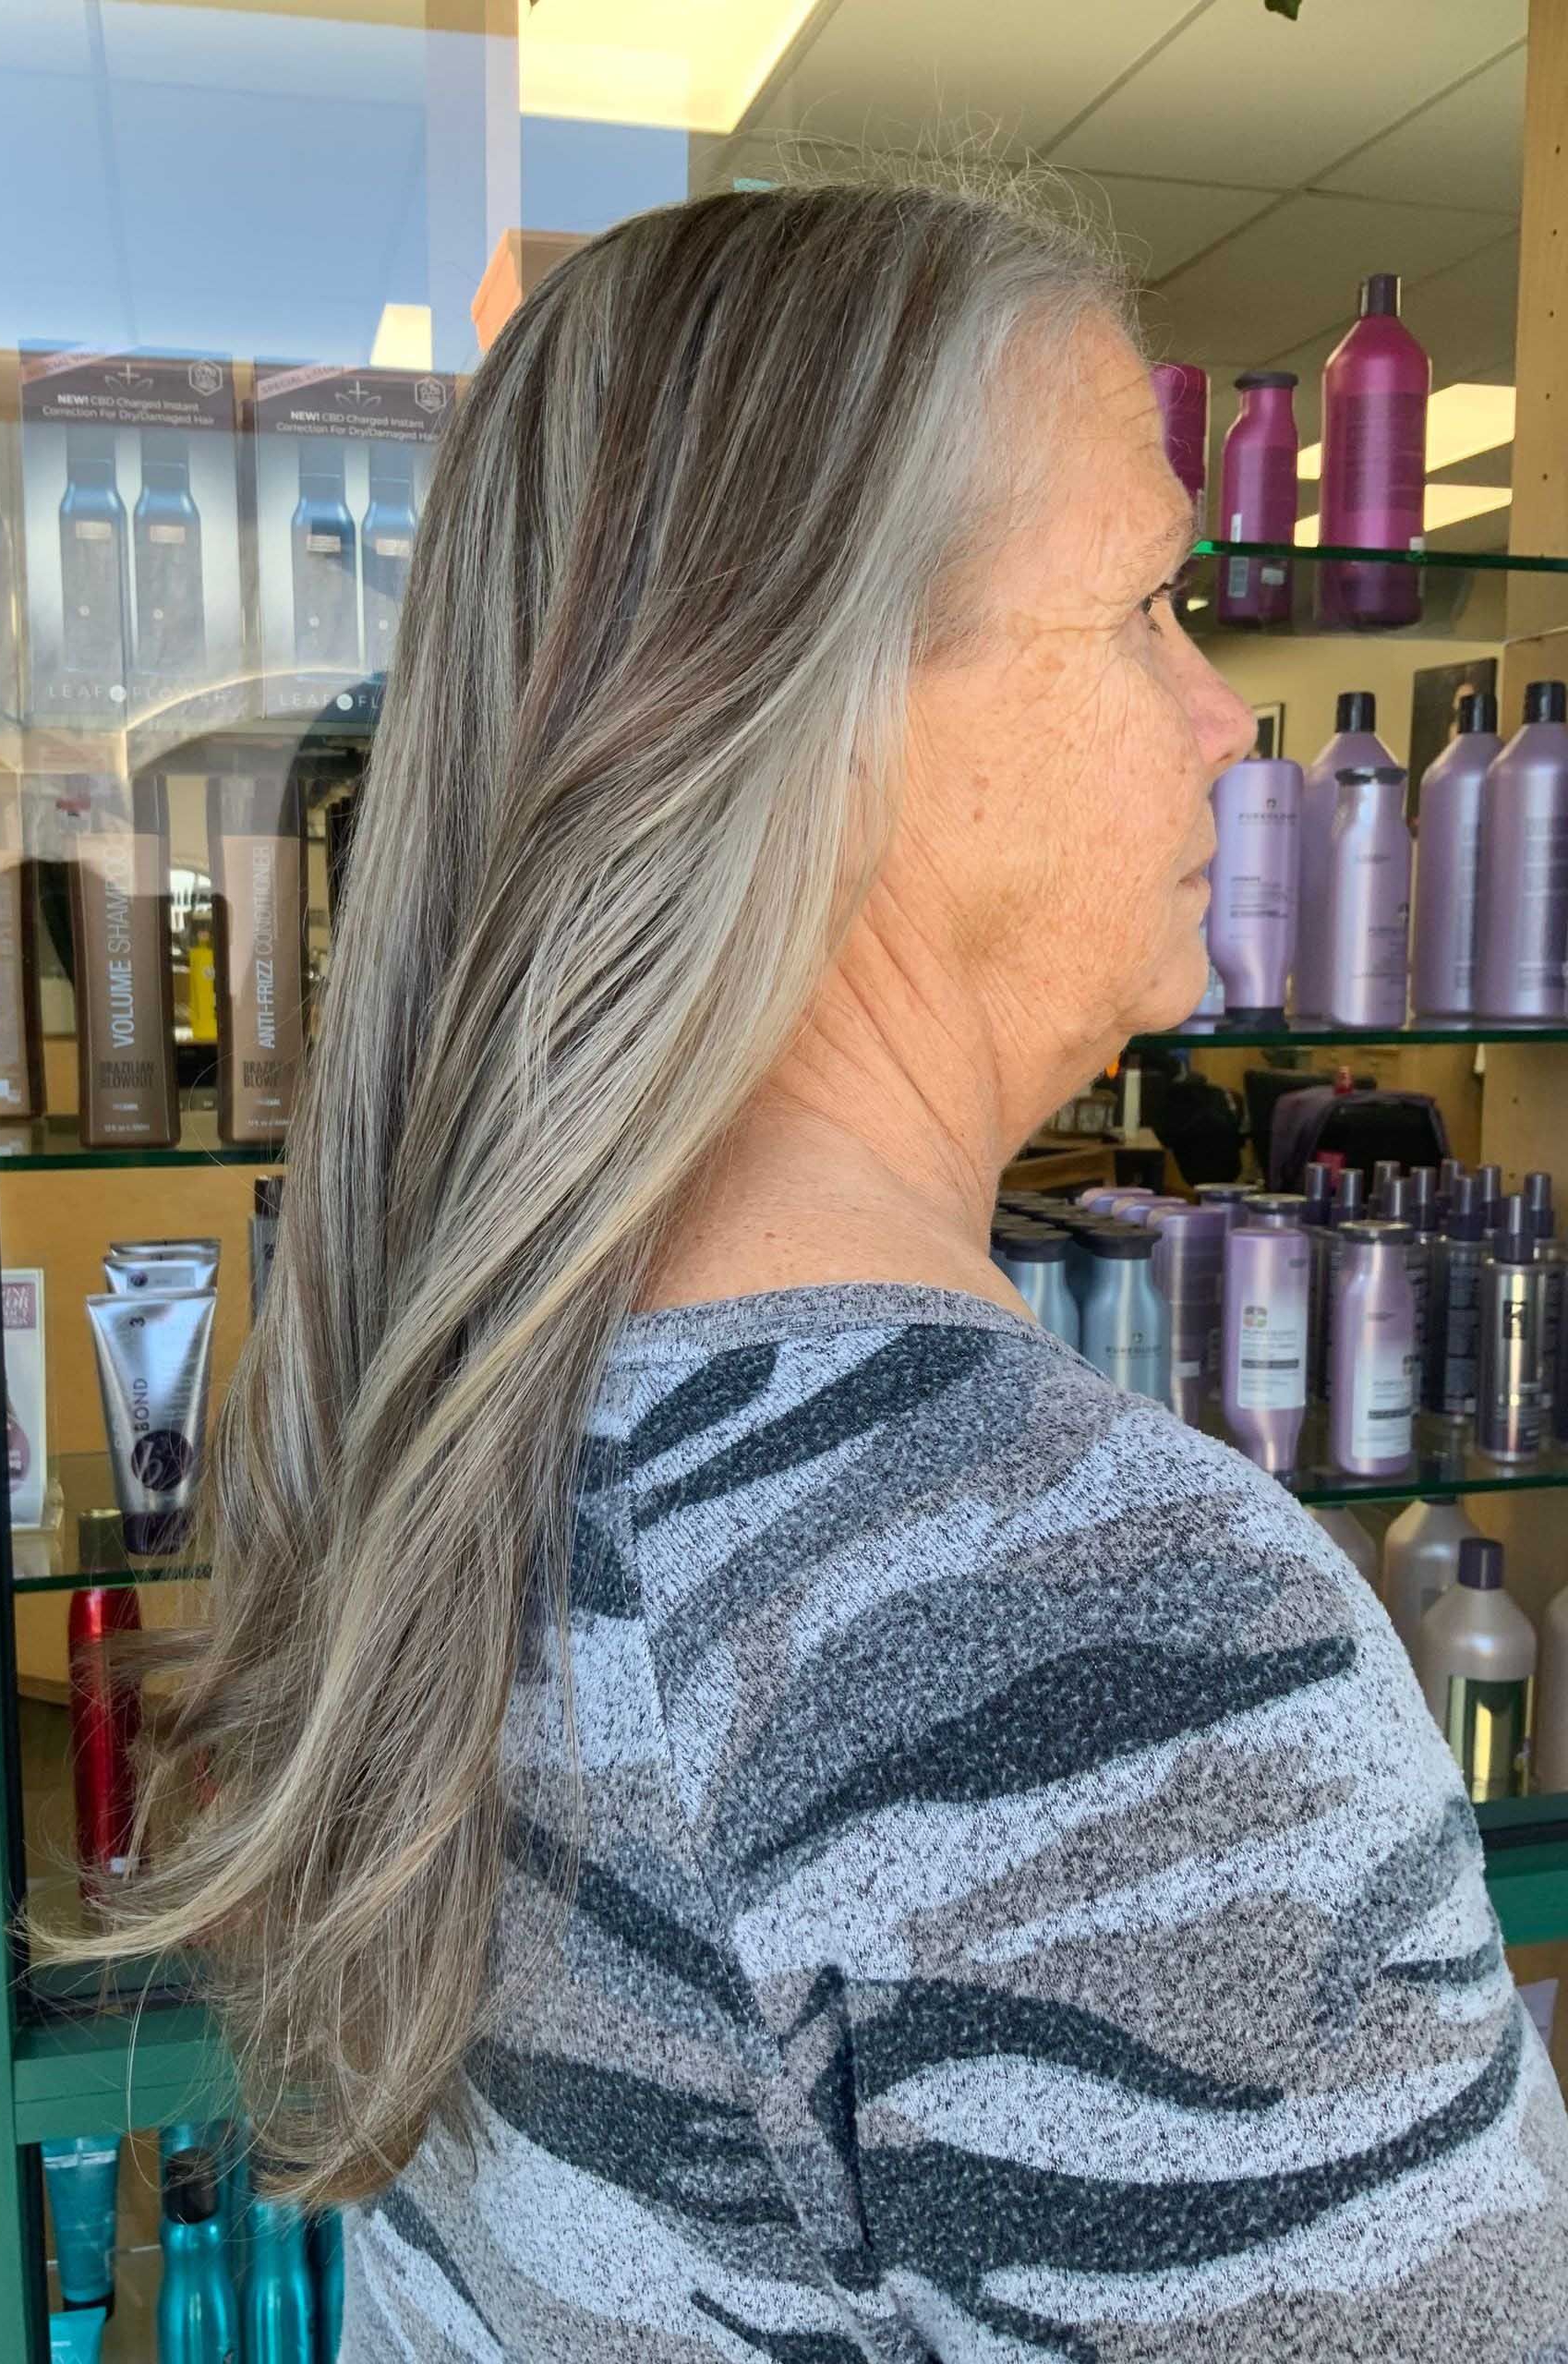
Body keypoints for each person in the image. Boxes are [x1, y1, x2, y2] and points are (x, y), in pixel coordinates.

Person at [78, 176, 1568, 2358]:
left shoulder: (483, 1409)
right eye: (1150, 607)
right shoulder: (1107, 1643)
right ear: (832, 716)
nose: (1224, 720)